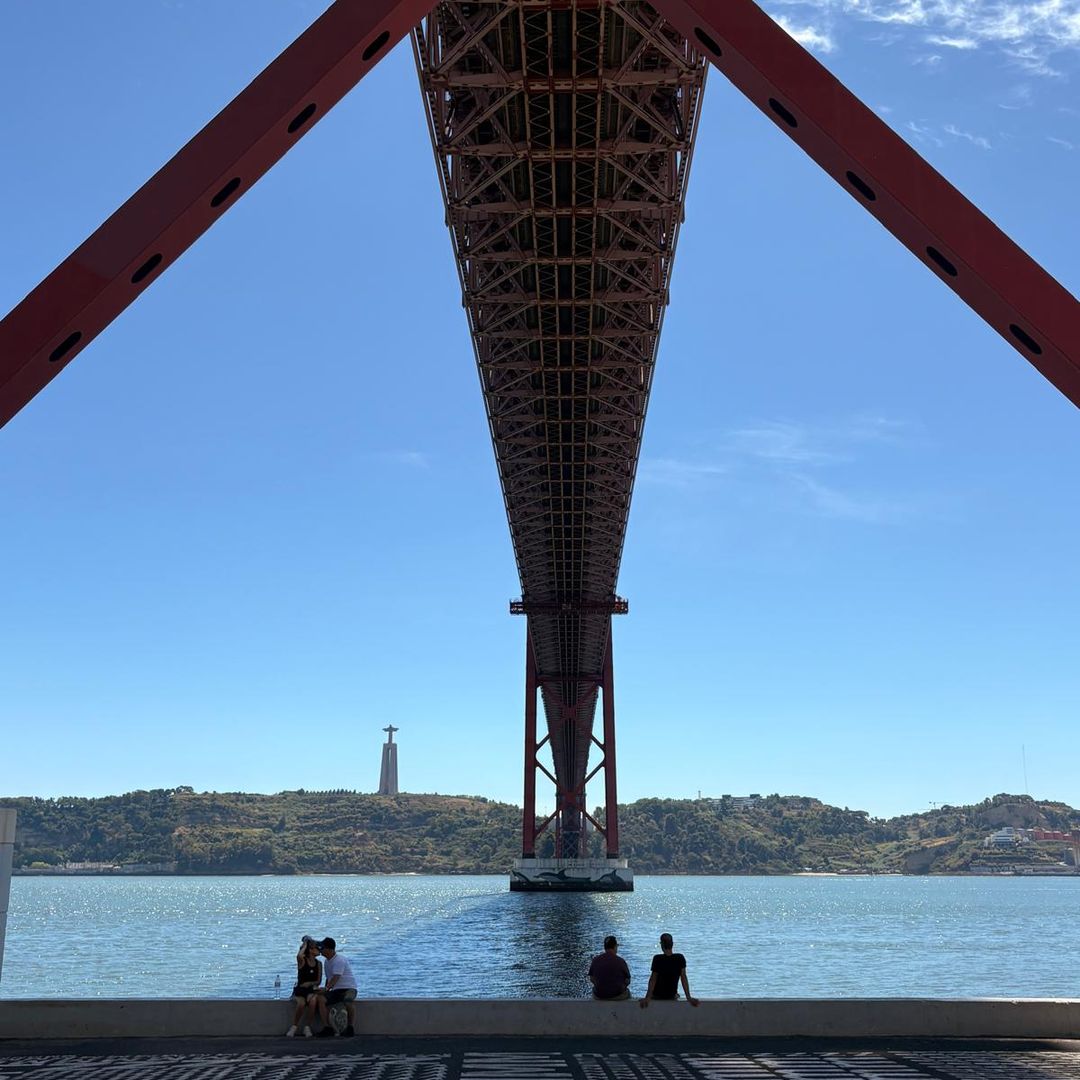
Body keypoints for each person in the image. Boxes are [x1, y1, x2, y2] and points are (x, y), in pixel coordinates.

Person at [639, 932, 699, 1008]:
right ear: (672, 944)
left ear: (662, 945)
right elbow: (683, 978)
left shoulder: (657, 959)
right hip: (671, 995)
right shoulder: (680, 958)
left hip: (657, 995)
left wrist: (647, 997)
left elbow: (653, 980)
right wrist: (688, 997)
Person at [313, 937, 358, 1037]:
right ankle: (327, 1027)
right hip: (336, 990)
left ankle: (350, 1027)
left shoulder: (339, 960)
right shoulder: (327, 962)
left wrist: (326, 988)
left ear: (330, 949)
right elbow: (329, 978)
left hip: (349, 988)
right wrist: (325, 990)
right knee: (321, 999)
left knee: (348, 1000)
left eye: (323, 948)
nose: (321, 950)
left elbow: (336, 977)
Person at [285, 937, 323, 1036]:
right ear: (310, 950)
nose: (319, 950)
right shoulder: (302, 961)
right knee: (301, 1004)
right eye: (316, 948)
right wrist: (306, 943)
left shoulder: (319, 964)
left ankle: (307, 1027)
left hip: (310, 990)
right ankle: (294, 1027)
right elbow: (299, 955)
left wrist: (310, 983)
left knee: (313, 1001)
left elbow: (318, 981)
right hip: (300, 990)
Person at [588, 935, 631, 1001]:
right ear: (615, 946)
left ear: (605, 947)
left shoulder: (595, 960)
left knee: (593, 990)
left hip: (599, 996)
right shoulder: (620, 961)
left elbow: (591, 978)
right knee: (628, 992)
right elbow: (628, 980)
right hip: (617, 995)